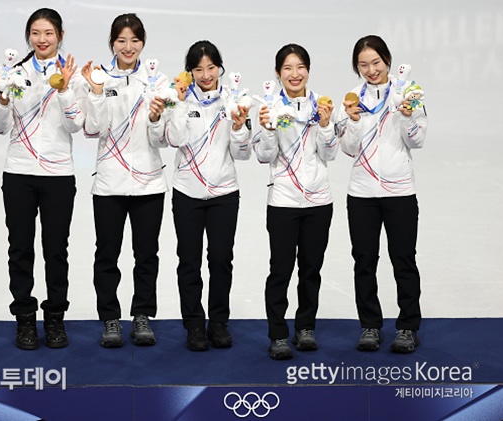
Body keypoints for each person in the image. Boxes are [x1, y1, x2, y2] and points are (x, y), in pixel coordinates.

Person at [0, 8, 86, 350]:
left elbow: (77, 126)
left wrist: (66, 89)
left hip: (58, 175)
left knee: (56, 250)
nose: (42, 40)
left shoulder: (73, 75)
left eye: (48, 33)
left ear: (60, 35)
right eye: (35, 33)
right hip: (19, 173)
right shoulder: (14, 73)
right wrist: (3, 98)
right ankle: (25, 319)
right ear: (28, 36)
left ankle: (55, 318)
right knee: (20, 248)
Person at [81, 13, 169, 348]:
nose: (128, 47)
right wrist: (96, 93)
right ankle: (110, 318)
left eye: (134, 40)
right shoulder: (100, 78)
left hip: (149, 183)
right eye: (121, 41)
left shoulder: (158, 82)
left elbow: (162, 138)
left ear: (142, 43)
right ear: (112, 43)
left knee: (146, 254)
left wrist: (157, 118)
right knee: (107, 254)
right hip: (109, 184)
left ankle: (142, 315)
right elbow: (93, 129)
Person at [336, 35, 428, 353]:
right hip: (362, 193)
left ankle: (407, 328)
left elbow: (417, 141)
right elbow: (348, 149)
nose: (371, 70)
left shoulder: (408, 94)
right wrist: (353, 121)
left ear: (387, 60)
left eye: (376, 62)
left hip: (400, 191)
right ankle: (370, 326)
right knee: (364, 261)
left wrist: (407, 116)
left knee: (403, 260)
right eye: (363, 64)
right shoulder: (352, 100)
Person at [252, 44, 337, 360]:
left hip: (318, 201)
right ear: (278, 73)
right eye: (287, 68)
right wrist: (268, 129)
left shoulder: (322, 105)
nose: (295, 74)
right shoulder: (269, 107)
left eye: (300, 67)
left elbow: (330, 154)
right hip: (283, 201)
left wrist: (326, 126)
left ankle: (305, 328)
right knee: (280, 270)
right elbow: (263, 156)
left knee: (311, 269)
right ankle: (278, 334)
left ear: (308, 71)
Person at [167, 40, 251, 351]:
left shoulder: (234, 100)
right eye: (198, 69)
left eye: (211, 68)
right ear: (189, 71)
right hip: (187, 192)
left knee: (220, 260)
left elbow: (242, 154)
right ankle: (193, 325)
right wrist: (177, 104)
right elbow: (174, 139)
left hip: (224, 193)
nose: (205, 75)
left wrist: (240, 128)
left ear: (220, 68)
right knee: (189, 262)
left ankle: (218, 322)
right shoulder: (180, 99)